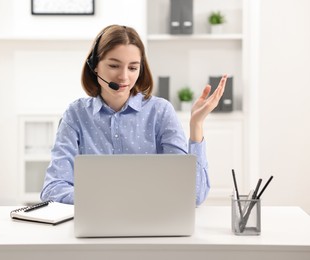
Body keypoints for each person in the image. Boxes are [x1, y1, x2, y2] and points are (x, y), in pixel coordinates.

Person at [40, 24, 227, 206]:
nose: (124, 77)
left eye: (132, 68)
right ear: (94, 65)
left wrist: (196, 125)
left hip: (151, 224)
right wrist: (108, 201)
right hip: (95, 224)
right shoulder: (76, 114)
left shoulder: (160, 112)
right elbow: (53, 188)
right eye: (114, 65)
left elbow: (193, 195)